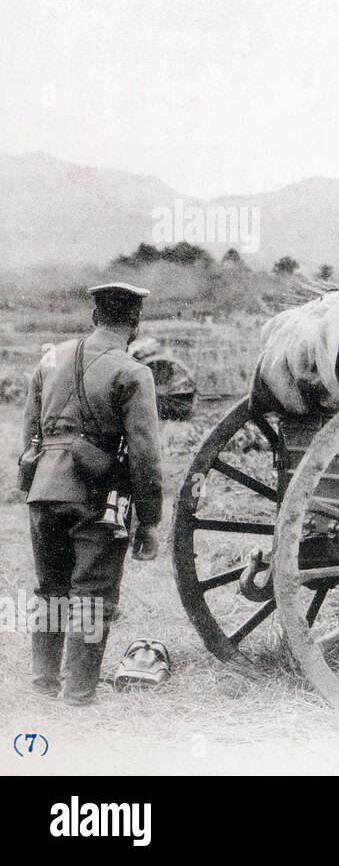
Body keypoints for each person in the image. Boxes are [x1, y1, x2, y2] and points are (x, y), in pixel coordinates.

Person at [21, 282, 163, 705]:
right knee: (92, 593)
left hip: (43, 490)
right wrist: (149, 519)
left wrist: (29, 488)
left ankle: (44, 684)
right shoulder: (134, 373)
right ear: (134, 324)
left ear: (94, 317)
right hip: (97, 497)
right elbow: (145, 456)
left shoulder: (50, 359)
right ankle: (79, 692)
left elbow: (29, 434)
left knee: (50, 588)